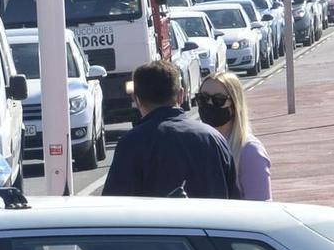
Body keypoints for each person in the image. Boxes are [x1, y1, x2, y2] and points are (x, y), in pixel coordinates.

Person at [102, 59, 237, 199]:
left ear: (137, 99)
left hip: (155, 221)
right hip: (210, 220)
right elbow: (235, 202)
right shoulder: (213, 138)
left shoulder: (130, 144)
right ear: (181, 95)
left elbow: (114, 204)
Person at [197, 70, 270, 200]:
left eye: (218, 100)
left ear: (235, 104)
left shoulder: (249, 150)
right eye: (202, 99)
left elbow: (261, 208)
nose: (209, 105)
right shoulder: (196, 146)